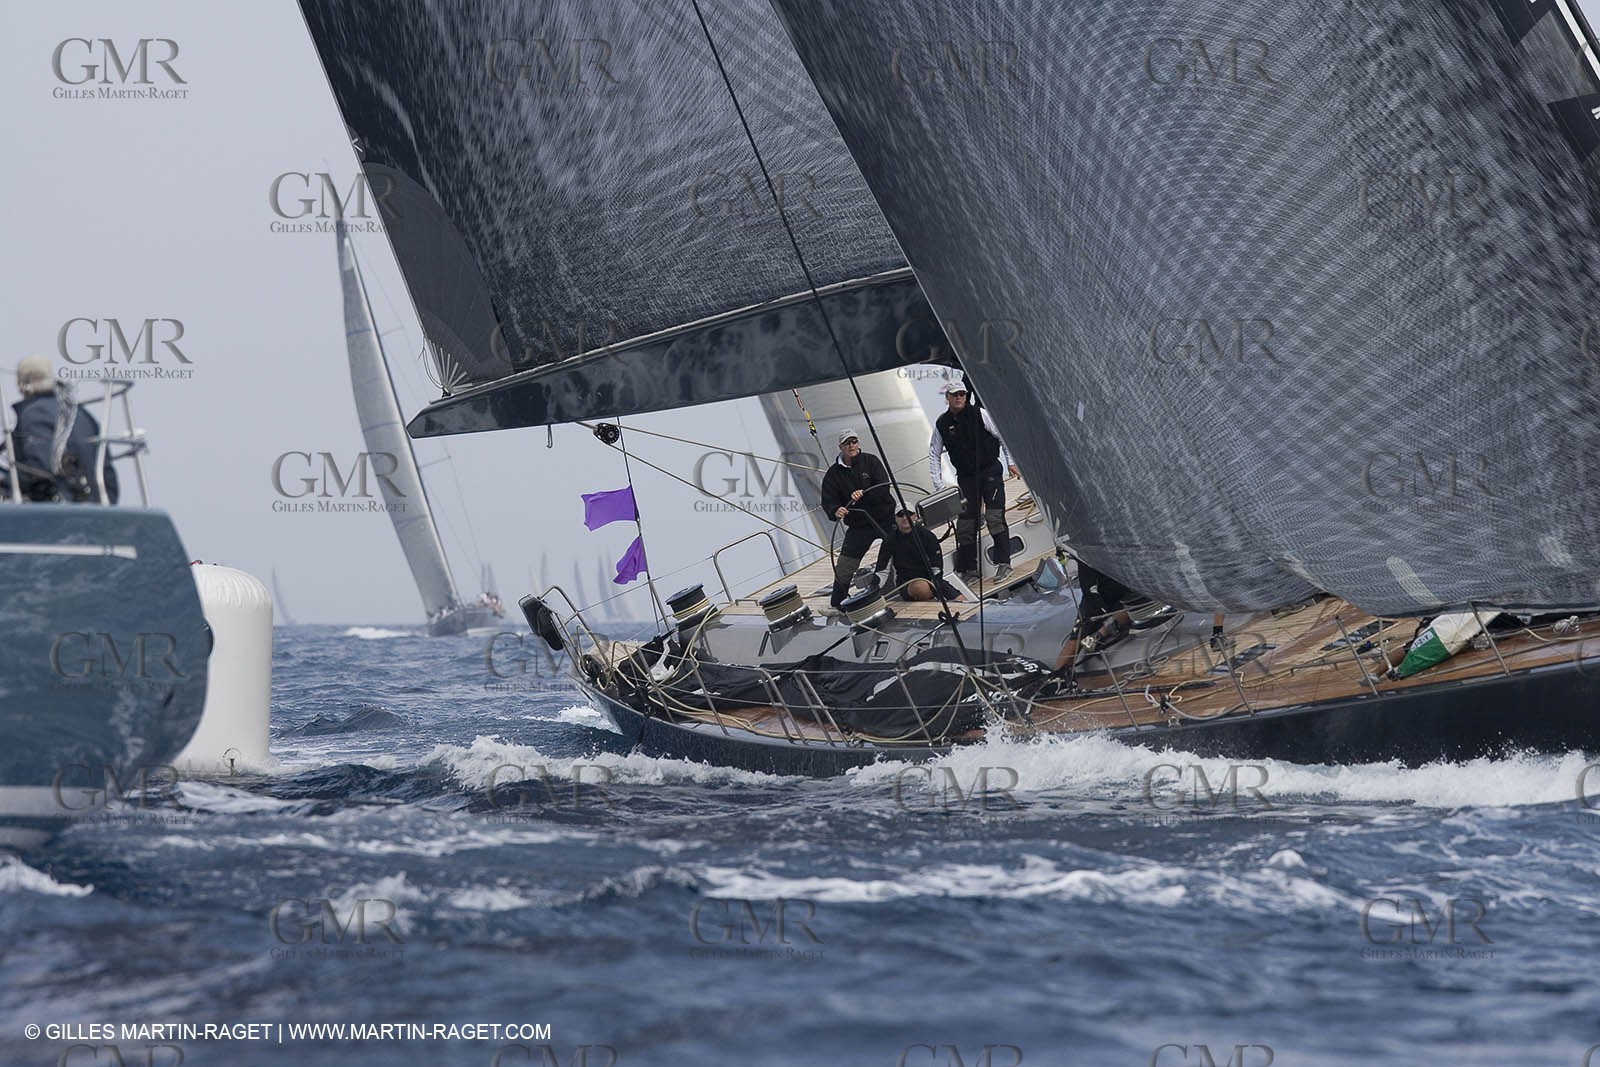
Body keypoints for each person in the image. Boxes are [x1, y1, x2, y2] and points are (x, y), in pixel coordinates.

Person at [928, 382, 1018, 581]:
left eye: (962, 394)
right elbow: (934, 453)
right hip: (966, 477)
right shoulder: (942, 423)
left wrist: (1010, 463)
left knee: (994, 517)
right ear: (947, 398)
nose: (959, 397)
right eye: (955, 395)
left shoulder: (980, 414)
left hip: (990, 471)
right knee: (966, 524)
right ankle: (969, 569)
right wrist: (938, 486)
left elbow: (1001, 436)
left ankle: (1004, 563)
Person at [9, 355, 118, 504]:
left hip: (58, 511)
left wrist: (6, 481)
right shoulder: (83, 415)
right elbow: (108, 477)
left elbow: (40, 470)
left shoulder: (33, 414)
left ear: (21, 384)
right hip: (97, 508)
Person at [819, 428, 894, 609]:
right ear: (840, 447)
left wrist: (864, 494)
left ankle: (883, 588)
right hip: (859, 525)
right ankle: (837, 606)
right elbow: (828, 501)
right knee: (844, 566)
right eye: (847, 443)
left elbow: (884, 487)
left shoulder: (871, 461)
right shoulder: (833, 474)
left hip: (884, 518)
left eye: (854, 441)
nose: (851, 446)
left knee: (900, 546)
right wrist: (835, 510)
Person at [873, 508, 961, 602]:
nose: (905, 518)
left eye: (909, 514)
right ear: (895, 518)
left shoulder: (927, 536)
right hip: (906, 583)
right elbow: (882, 571)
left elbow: (937, 567)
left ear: (915, 516)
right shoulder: (889, 541)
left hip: (933, 580)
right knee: (921, 588)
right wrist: (873, 590)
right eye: (900, 515)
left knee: (961, 600)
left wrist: (935, 587)